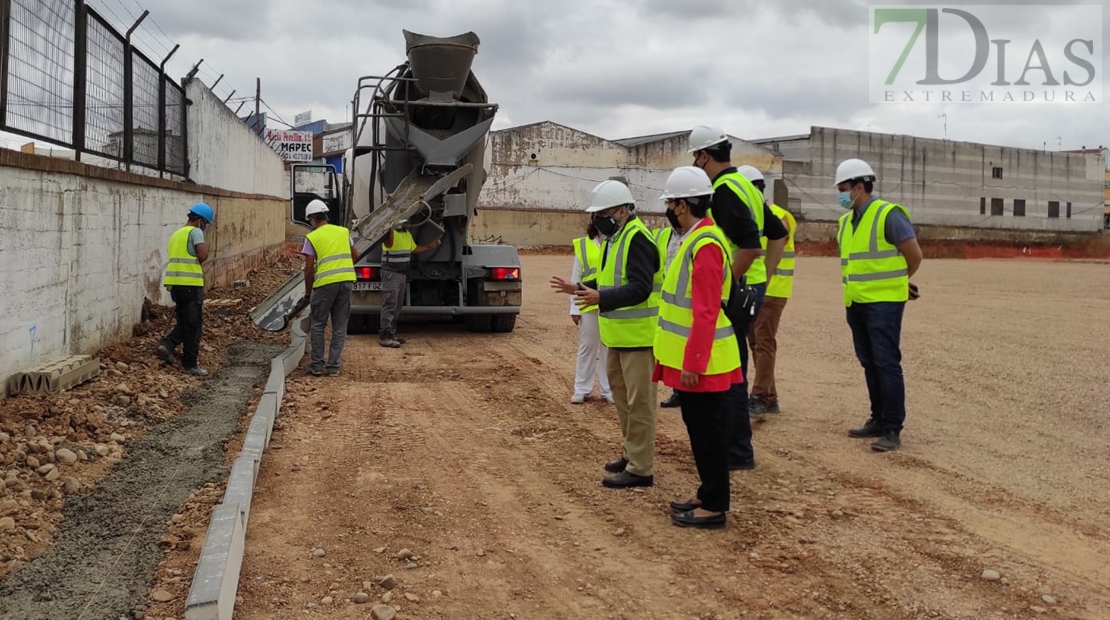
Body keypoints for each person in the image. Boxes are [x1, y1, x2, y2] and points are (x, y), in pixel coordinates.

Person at [687, 124, 788, 470]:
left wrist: (725, 283)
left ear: (703, 155)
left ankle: (736, 452)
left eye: (695, 158)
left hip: (737, 289)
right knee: (736, 366)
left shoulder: (724, 190)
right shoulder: (746, 185)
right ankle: (736, 448)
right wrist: (766, 275)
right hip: (752, 286)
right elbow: (778, 234)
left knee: (729, 369)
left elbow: (750, 244)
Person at [550, 179, 660, 489]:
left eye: (604, 212)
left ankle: (641, 468)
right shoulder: (616, 238)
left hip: (639, 337)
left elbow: (639, 287)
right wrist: (582, 288)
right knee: (625, 402)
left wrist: (602, 299)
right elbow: (612, 279)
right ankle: (630, 454)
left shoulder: (637, 239)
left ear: (623, 211)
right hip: (619, 336)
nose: (598, 219)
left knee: (639, 405)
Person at [653, 166, 742, 530]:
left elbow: (705, 311)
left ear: (684, 204)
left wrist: (695, 362)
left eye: (672, 202)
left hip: (704, 363)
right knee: (700, 428)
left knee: (709, 433)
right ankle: (707, 494)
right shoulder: (695, 238)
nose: (669, 208)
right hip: (696, 360)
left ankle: (715, 507)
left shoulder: (704, 244)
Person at [834, 158, 923, 452]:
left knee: (886, 363)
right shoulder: (846, 221)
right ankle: (878, 418)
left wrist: (899, 282)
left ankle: (893, 427)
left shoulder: (888, 214)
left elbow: (914, 255)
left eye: (844, 188)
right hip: (856, 302)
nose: (841, 194)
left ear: (860, 187)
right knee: (869, 362)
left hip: (884, 303)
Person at [738, 165, 795, 416]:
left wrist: (764, 282)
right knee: (755, 343)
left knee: (763, 343)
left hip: (772, 289)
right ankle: (769, 396)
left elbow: (777, 248)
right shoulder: (750, 215)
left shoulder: (776, 214)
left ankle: (759, 396)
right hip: (754, 289)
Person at [156, 203, 215, 376]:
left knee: (185, 320)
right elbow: (202, 255)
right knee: (194, 324)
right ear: (200, 220)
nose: (205, 227)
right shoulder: (195, 232)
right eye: (205, 224)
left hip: (175, 285)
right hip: (190, 283)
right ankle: (189, 363)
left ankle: (167, 345)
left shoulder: (176, 234)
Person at [301, 200, 358, 376]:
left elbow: (309, 270)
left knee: (318, 324)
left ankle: (317, 366)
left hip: (325, 285)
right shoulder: (343, 232)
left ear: (312, 219)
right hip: (346, 282)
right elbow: (355, 255)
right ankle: (334, 367)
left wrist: (308, 292)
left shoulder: (312, 237)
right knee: (340, 326)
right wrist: (344, 268)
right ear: (326, 215)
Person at [569, 221, 614, 404]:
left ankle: (608, 390)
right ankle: (581, 389)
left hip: (609, 302)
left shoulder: (615, 242)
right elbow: (576, 277)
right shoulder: (583, 244)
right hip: (588, 304)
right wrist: (574, 308)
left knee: (608, 348)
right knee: (587, 347)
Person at [378, 222, 442, 348]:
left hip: (401, 275)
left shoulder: (407, 234)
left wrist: (430, 246)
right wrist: (389, 227)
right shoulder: (391, 235)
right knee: (390, 304)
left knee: (397, 306)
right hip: (391, 274)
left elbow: (414, 249)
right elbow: (387, 239)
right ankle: (384, 336)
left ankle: (391, 334)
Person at [655, 218, 685, 410]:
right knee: (673, 344)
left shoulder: (694, 235)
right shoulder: (662, 235)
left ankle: (687, 390)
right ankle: (677, 392)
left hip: (684, 298)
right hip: (665, 297)